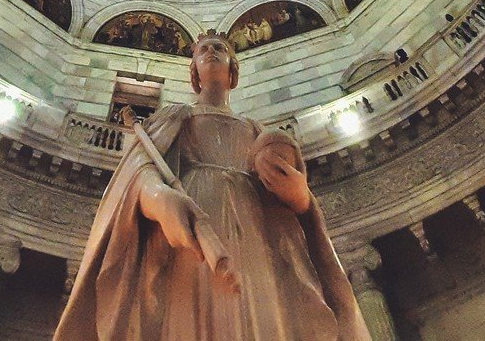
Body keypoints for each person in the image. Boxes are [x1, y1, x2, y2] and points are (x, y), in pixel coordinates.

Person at [54, 31, 370, 341]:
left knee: (258, 312)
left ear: (233, 71)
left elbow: (294, 201)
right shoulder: (176, 115)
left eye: (220, 47)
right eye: (203, 49)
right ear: (194, 73)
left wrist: (298, 194)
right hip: (191, 225)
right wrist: (158, 197)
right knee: (191, 312)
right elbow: (140, 170)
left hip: (255, 231)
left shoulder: (256, 129)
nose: (211, 51)